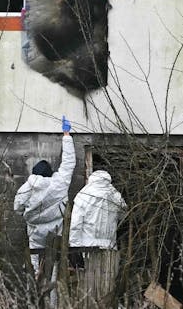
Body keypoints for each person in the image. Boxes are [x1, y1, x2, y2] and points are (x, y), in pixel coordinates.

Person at [14, 117, 76, 274]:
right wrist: (67, 135)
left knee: (35, 266)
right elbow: (69, 163)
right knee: (54, 266)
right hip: (56, 233)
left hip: (35, 233)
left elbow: (17, 208)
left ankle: (35, 295)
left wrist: (30, 214)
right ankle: (53, 298)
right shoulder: (59, 183)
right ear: (50, 173)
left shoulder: (27, 188)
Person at [69, 153, 127, 307]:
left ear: (91, 179)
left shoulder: (83, 195)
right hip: (110, 248)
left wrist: (74, 248)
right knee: (107, 286)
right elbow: (124, 214)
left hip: (87, 248)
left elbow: (75, 225)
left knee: (87, 287)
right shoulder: (115, 196)